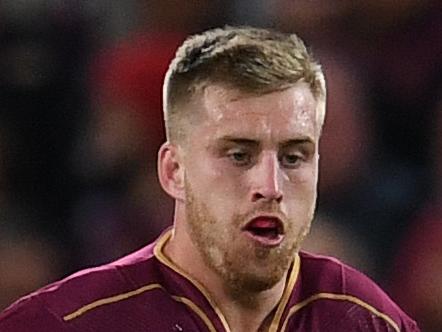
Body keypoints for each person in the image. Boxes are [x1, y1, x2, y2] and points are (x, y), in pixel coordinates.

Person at [0, 26, 419, 332]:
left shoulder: (365, 319)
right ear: (173, 171)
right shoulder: (62, 323)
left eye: (294, 157)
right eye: (239, 155)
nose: (270, 186)